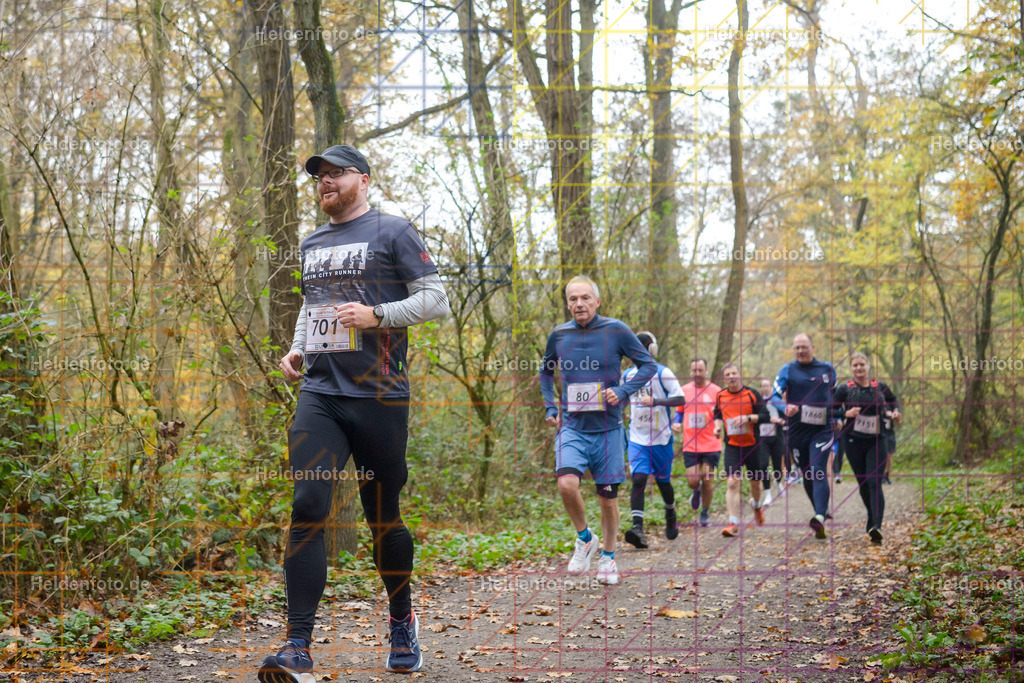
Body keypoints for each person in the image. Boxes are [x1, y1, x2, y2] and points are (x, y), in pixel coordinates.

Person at [261, 145, 451, 681]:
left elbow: (436, 299)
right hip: (320, 393)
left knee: (382, 518)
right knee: (308, 504)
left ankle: (401, 619)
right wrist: (298, 348)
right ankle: (297, 646)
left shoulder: (392, 231)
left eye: (334, 173)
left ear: (362, 180)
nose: (323, 181)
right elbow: (311, 304)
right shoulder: (312, 242)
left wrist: (377, 315)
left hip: (380, 395)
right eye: (318, 175)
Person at [540, 275, 656, 585]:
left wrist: (623, 389)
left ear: (597, 301)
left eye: (585, 298)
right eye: (573, 299)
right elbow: (545, 371)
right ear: (567, 303)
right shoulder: (559, 335)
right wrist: (551, 406)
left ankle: (608, 558)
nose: (579, 303)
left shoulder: (616, 329)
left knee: (607, 500)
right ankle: (584, 538)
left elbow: (647, 365)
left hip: (608, 430)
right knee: (566, 484)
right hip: (573, 429)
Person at [770, 333, 841, 540]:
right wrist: (784, 406)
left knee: (818, 468)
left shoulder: (827, 369)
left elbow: (834, 397)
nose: (800, 351)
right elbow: (774, 396)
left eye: (804, 347)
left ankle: (819, 515)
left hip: (822, 429)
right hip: (797, 430)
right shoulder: (788, 370)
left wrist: (837, 416)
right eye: (797, 348)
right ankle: (819, 513)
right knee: (807, 474)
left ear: (813, 347)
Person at [622, 332, 686, 548]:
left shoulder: (663, 373)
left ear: (651, 350)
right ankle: (637, 528)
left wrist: (656, 401)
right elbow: (622, 399)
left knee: (663, 483)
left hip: (661, 439)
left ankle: (670, 513)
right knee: (638, 479)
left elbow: (680, 398)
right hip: (637, 438)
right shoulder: (627, 375)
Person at [834, 352, 901, 544]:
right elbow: (831, 409)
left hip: (877, 440)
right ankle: (872, 517)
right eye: (855, 365)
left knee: (874, 482)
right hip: (853, 441)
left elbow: (893, 399)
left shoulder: (879, 386)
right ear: (851, 368)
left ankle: (877, 526)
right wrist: (845, 413)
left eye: (861, 364)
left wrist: (895, 411)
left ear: (868, 366)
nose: (858, 368)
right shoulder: (844, 389)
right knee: (863, 484)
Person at [713, 364, 772, 536]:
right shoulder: (720, 396)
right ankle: (732, 522)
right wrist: (717, 428)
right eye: (727, 374)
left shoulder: (752, 394)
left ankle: (757, 506)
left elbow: (765, 416)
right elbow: (717, 415)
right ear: (724, 378)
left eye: (734, 373)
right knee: (732, 482)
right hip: (732, 446)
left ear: (740, 375)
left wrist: (747, 418)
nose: (731, 377)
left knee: (756, 484)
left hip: (753, 445)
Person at [671, 359, 721, 527]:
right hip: (691, 444)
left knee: (707, 480)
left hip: (712, 442)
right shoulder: (684, 391)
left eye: (700, 370)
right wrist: (676, 423)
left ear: (706, 370)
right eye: (694, 370)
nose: (697, 373)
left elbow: (723, 414)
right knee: (693, 481)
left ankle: (705, 513)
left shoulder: (716, 391)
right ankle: (696, 491)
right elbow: (679, 413)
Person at [757, 378, 786, 506]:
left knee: (777, 464)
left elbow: (786, 416)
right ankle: (768, 493)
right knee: (763, 465)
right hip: (762, 439)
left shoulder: (776, 401)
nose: (765, 388)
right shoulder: (757, 402)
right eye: (762, 386)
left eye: (767, 386)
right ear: (760, 388)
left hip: (777, 437)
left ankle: (778, 481)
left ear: (771, 387)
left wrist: (781, 421)